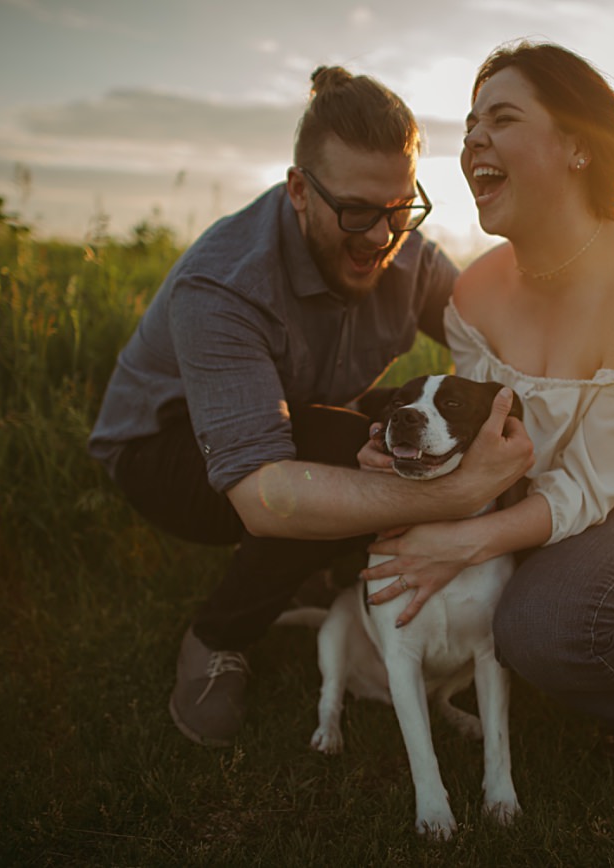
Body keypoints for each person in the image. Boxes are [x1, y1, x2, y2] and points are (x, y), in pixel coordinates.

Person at [88, 66, 533, 748]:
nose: (380, 238)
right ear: (299, 190)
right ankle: (216, 640)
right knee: (339, 450)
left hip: (299, 425)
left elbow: (501, 334)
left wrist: (612, 278)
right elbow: (263, 496)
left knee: (364, 442)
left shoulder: (404, 251)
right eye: (356, 212)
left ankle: (314, 576)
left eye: (398, 209)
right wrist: (457, 495)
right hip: (164, 450)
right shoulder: (225, 283)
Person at [360, 41, 614, 758]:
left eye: (501, 119)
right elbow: (481, 443)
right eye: (470, 127)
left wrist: (464, 543)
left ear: (577, 148)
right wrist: (405, 476)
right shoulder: (474, 292)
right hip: (533, 496)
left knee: (539, 626)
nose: (474, 142)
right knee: (408, 559)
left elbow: (591, 485)